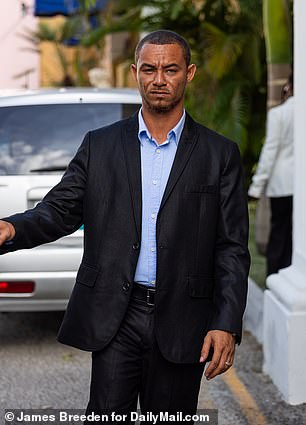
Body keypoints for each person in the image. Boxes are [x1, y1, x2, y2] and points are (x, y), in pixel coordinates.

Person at [0, 30, 250, 422]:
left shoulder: (219, 154)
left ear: (190, 73)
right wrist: (11, 230)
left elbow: (232, 247)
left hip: (183, 317)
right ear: (135, 72)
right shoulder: (100, 145)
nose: (159, 79)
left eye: (170, 69)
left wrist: (226, 323)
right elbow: (61, 209)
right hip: (117, 314)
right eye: (149, 69)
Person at [248, 74, 294, 276]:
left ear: (289, 86)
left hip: (282, 185)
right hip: (299, 186)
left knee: (279, 236)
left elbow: (270, 151)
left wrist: (256, 187)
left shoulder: (280, 113)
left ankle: (274, 277)